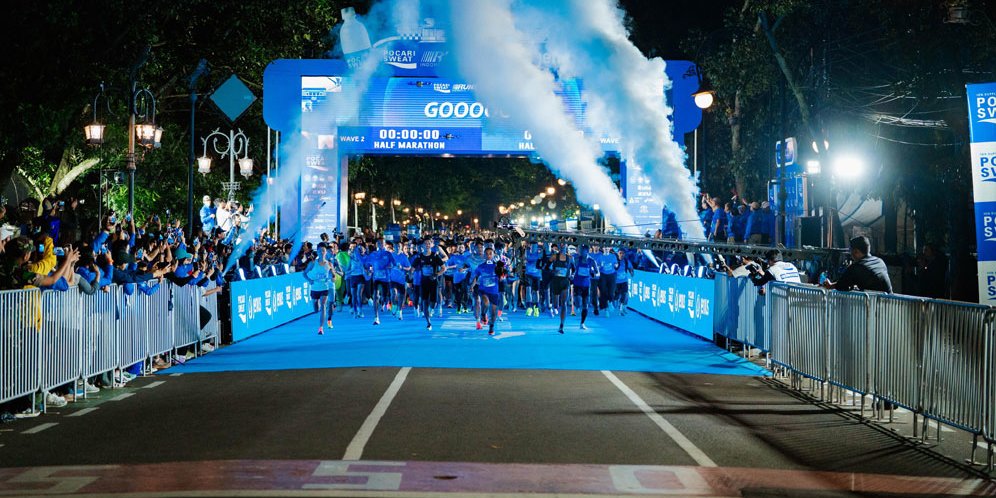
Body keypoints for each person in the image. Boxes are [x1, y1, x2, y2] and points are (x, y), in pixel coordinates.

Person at [823, 236, 893, 293]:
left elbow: (841, 286)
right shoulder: (880, 261)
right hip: (890, 303)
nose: (850, 253)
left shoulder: (857, 267)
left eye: (850, 250)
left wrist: (830, 285)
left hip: (875, 305)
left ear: (856, 251)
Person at [304, 242, 340, 335]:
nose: (321, 252)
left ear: (325, 252)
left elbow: (333, 276)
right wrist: (309, 280)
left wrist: (333, 278)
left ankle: (321, 328)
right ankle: (317, 307)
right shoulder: (313, 263)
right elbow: (304, 273)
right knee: (316, 307)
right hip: (314, 288)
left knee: (324, 306)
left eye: (323, 251)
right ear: (317, 251)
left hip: (325, 287)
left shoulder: (329, 264)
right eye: (320, 251)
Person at [411, 239, 446, 331]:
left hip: (433, 282)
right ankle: (428, 323)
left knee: (433, 302)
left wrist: (436, 274)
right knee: (424, 301)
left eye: (429, 243)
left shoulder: (435, 256)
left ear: (431, 245)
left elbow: (443, 268)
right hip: (423, 282)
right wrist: (410, 274)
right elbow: (412, 268)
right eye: (425, 243)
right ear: (422, 246)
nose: (427, 245)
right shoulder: (419, 257)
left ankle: (432, 309)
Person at [470, 246, 502, 335]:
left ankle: (491, 326)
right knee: (486, 302)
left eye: (490, 254)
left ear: (493, 255)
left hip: (494, 291)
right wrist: (472, 286)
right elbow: (476, 277)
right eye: (487, 254)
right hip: (483, 290)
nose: (488, 255)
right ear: (484, 255)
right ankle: (483, 314)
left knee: (494, 312)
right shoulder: (480, 266)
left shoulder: (497, 266)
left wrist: (503, 276)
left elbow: (502, 277)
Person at [366, 238, 394, 325]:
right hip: (376, 278)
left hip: (386, 278)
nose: (381, 244)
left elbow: (394, 264)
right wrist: (369, 270)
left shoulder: (388, 254)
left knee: (384, 296)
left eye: (382, 243)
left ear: (385, 244)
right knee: (375, 296)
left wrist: (390, 266)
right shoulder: (373, 254)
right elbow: (367, 265)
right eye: (379, 243)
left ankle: (385, 302)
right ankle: (376, 317)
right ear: (376, 244)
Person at [571, 245, 599, 330]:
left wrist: (593, 274)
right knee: (578, 302)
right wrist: (571, 274)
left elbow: (598, 273)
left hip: (586, 285)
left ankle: (582, 323)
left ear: (587, 251)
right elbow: (572, 269)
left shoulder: (591, 261)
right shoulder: (576, 259)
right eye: (580, 251)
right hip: (577, 284)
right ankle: (576, 306)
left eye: (582, 251)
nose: (580, 252)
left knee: (585, 305)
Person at [545, 243, 572, 333]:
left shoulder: (570, 258)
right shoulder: (554, 257)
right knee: (556, 305)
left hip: (565, 281)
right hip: (556, 281)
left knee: (564, 303)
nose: (563, 248)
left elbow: (574, 269)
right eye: (561, 246)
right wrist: (552, 271)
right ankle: (552, 307)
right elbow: (546, 267)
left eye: (564, 246)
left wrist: (571, 275)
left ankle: (561, 325)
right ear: (559, 248)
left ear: (567, 247)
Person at [596, 245, 619, 315]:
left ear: (610, 248)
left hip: (612, 275)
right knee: (603, 291)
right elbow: (597, 267)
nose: (606, 248)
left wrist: (616, 265)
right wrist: (600, 266)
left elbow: (616, 265)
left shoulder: (613, 256)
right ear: (602, 248)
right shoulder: (600, 257)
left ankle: (610, 302)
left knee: (611, 291)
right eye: (605, 247)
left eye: (607, 247)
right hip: (603, 275)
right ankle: (605, 308)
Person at [522, 240, 543, 317]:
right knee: (528, 290)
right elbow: (524, 258)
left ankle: (536, 307)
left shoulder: (539, 253)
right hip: (528, 274)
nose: (533, 247)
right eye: (532, 246)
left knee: (536, 292)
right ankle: (529, 306)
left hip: (537, 275)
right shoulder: (527, 252)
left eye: (535, 246)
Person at [615, 248, 635, 315]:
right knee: (616, 296)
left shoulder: (626, 261)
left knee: (625, 294)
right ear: (618, 253)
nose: (621, 255)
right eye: (620, 253)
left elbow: (631, 268)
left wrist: (632, 272)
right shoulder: (614, 261)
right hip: (616, 282)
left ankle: (622, 308)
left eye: (623, 253)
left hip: (624, 281)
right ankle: (617, 305)